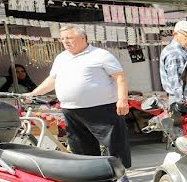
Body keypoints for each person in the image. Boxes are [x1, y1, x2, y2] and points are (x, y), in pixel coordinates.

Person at [28, 25, 131, 169]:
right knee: (80, 145)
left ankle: (120, 172)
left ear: (83, 38)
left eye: (69, 38)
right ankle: (90, 173)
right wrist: (33, 94)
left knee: (114, 142)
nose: (65, 41)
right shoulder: (61, 57)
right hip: (71, 110)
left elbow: (120, 77)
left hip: (102, 107)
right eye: (62, 38)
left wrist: (122, 100)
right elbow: (52, 80)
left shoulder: (100, 55)